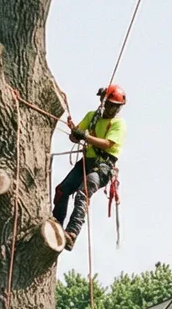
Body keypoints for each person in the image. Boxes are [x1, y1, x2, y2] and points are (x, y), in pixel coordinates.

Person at [52, 84, 125, 250]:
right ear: (103, 102)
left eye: (115, 107)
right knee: (62, 190)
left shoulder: (118, 124)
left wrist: (85, 136)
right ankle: (56, 225)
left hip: (103, 167)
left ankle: (72, 233)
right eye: (110, 105)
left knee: (83, 191)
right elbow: (74, 137)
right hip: (86, 162)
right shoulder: (92, 117)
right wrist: (76, 134)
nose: (112, 109)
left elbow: (107, 144)